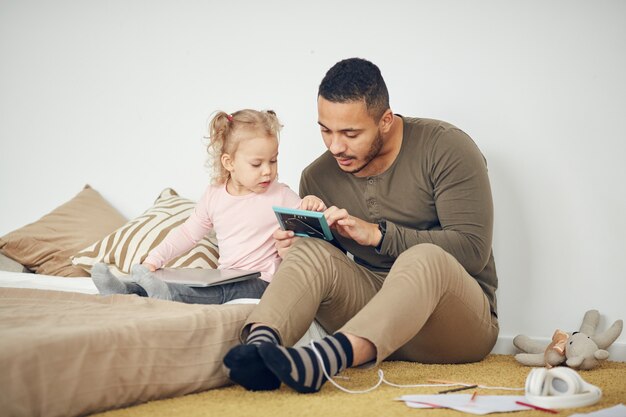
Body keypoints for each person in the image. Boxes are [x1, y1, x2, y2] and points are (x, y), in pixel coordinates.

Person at [223, 58, 500, 393]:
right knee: (311, 248)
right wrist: (295, 250)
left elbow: (472, 251)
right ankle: (259, 349)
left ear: (385, 120)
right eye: (325, 130)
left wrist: (378, 235)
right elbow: (330, 266)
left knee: (422, 257)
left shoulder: (446, 148)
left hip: (454, 325)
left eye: (350, 133)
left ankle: (325, 360)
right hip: (369, 313)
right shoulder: (318, 175)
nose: (336, 146)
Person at [91, 109, 325, 304]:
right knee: (200, 283)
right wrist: (154, 260)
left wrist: (312, 204)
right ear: (229, 162)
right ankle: (124, 289)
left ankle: (168, 295)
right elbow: (187, 233)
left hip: (264, 283)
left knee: (222, 293)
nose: (268, 170)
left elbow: (308, 223)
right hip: (226, 275)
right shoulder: (214, 196)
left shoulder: (280, 194)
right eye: (257, 163)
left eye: (273, 160)